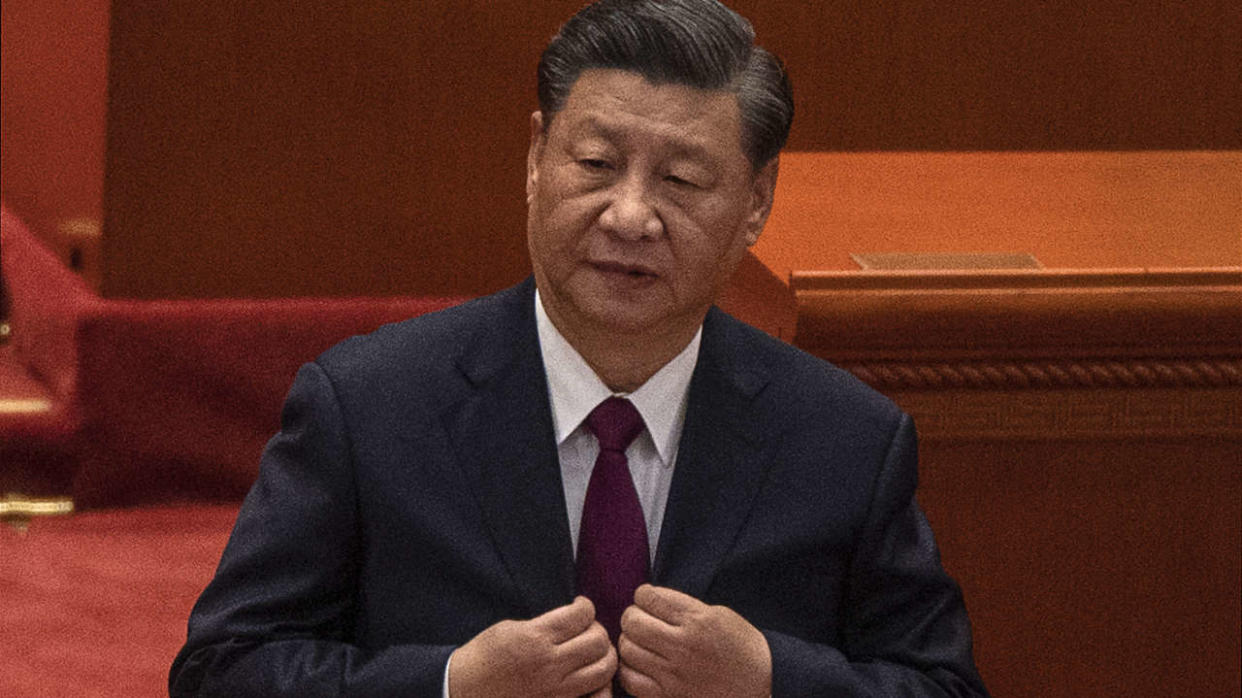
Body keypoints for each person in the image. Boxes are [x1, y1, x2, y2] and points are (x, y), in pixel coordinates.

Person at [170, 1, 987, 695]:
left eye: (683, 180)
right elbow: (222, 669)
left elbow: (941, 685)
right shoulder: (369, 406)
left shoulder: (846, 440)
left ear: (755, 204)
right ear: (535, 159)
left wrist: (774, 678)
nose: (630, 216)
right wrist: (450, 683)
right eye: (596, 163)